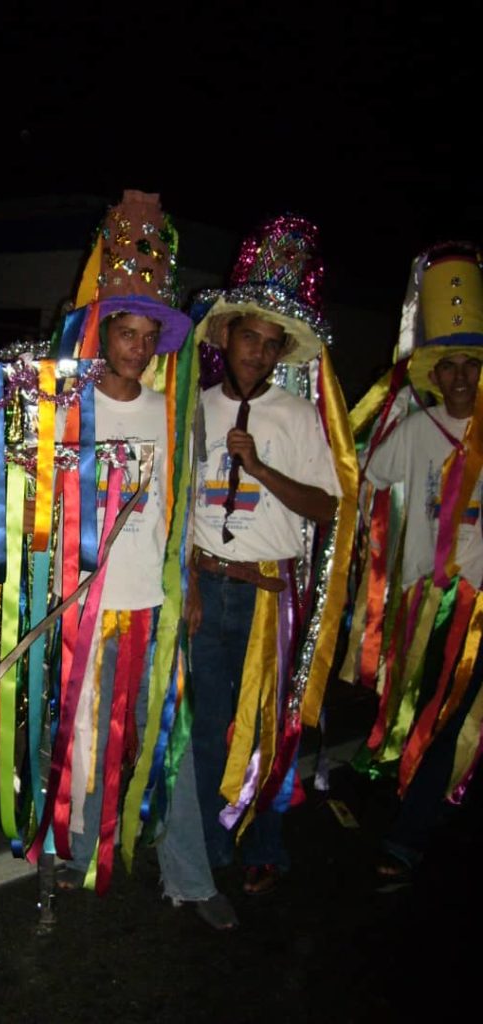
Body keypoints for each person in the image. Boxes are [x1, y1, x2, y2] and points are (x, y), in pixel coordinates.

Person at [29, 189, 241, 929]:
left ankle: (190, 877)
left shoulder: (173, 413)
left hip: (153, 605)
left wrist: (191, 587)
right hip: (81, 605)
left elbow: (180, 509)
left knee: (170, 745)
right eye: (128, 332)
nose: (140, 346)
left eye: (150, 334)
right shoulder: (67, 410)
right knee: (82, 734)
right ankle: (79, 842)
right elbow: (32, 508)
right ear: (102, 333)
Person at [178, 214, 356, 897]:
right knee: (204, 733)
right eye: (248, 337)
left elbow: (326, 507)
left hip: (263, 599)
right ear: (226, 339)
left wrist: (261, 468)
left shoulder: (296, 417)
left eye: (269, 343)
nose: (256, 351)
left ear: (280, 353)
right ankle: (208, 849)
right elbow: (184, 507)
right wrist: (189, 582)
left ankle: (265, 843)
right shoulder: (196, 408)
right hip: (207, 593)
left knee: (261, 729)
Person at [346, 241, 483, 884]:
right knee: (427, 713)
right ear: (437, 375)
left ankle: (412, 829)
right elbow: (368, 475)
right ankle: (412, 817)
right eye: (449, 366)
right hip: (428, 603)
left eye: (470, 366)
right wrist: (394, 415)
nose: (460, 377)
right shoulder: (419, 431)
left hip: (481, 608)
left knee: (454, 718)